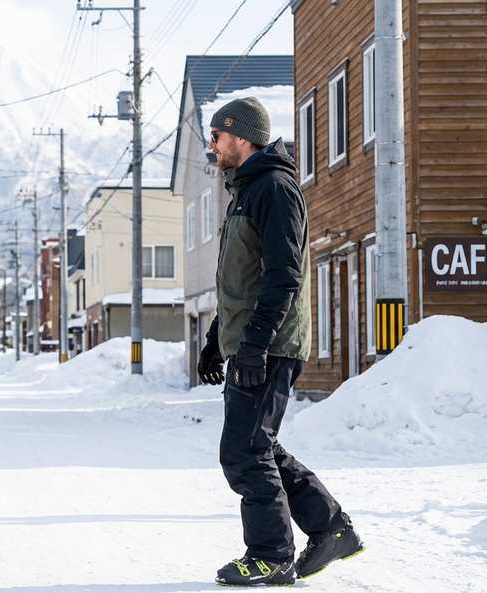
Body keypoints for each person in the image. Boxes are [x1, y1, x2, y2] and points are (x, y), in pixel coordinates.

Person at [198, 97, 364, 586]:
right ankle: (330, 528)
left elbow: (282, 276)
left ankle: (271, 553)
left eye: (219, 136)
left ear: (244, 137)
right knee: (258, 447)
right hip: (251, 341)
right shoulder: (245, 193)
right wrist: (215, 340)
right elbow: (237, 282)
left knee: (245, 452)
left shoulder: (274, 189)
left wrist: (254, 345)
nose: (213, 145)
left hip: (269, 344)